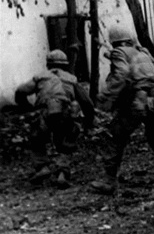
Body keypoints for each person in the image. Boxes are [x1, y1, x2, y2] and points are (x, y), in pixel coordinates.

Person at [90, 26, 154, 195]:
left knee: (114, 138)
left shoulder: (119, 52)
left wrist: (105, 97)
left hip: (136, 101)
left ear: (115, 42)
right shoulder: (143, 53)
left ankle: (108, 181)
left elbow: (122, 74)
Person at [15, 49, 95, 187]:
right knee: (65, 142)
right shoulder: (71, 79)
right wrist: (89, 121)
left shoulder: (40, 76)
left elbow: (20, 91)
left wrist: (27, 107)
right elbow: (86, 102)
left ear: (48, 64)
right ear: (65, 65)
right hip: (65, 113)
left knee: (37, 139)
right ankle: (62, 172)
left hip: (44, 112)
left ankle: (42, 167)